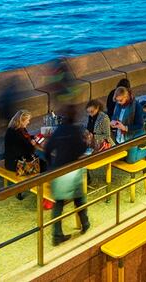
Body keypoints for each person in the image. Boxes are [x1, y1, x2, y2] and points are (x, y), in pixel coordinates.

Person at [44, 105, 90, 245]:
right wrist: (86, 142)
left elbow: (48, 148)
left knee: (58, 202)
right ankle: (85, 223)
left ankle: (57, 234)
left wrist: (51, 165)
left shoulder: (59, 130)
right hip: (72, 169)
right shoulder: (75, 131)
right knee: (79, 198)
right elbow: (82, 148)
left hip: (58, 170)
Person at [111, 86, 146, 163]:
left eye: (120, 100)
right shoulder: (118, 104)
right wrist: (113, 122)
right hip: (121, 135)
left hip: (134, 134)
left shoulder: (136, 106)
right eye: (117, 101)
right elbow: (114, 116)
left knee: (130, 160)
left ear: (126, 97)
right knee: (120, 158)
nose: (118, 103)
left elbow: (140, 125)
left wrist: (125, 128)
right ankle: (135, 150)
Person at [4, 110, 44, 175]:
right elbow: (23, 152)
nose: (28, 122)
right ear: (21, 121)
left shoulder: (19, 128)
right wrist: (32, 145)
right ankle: (36, 183)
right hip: (15, 164)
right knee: (44, 166)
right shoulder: (14, 134)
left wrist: (33, 137)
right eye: (27, 120)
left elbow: (25, 138)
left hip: (16, 160)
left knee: (43, 163)